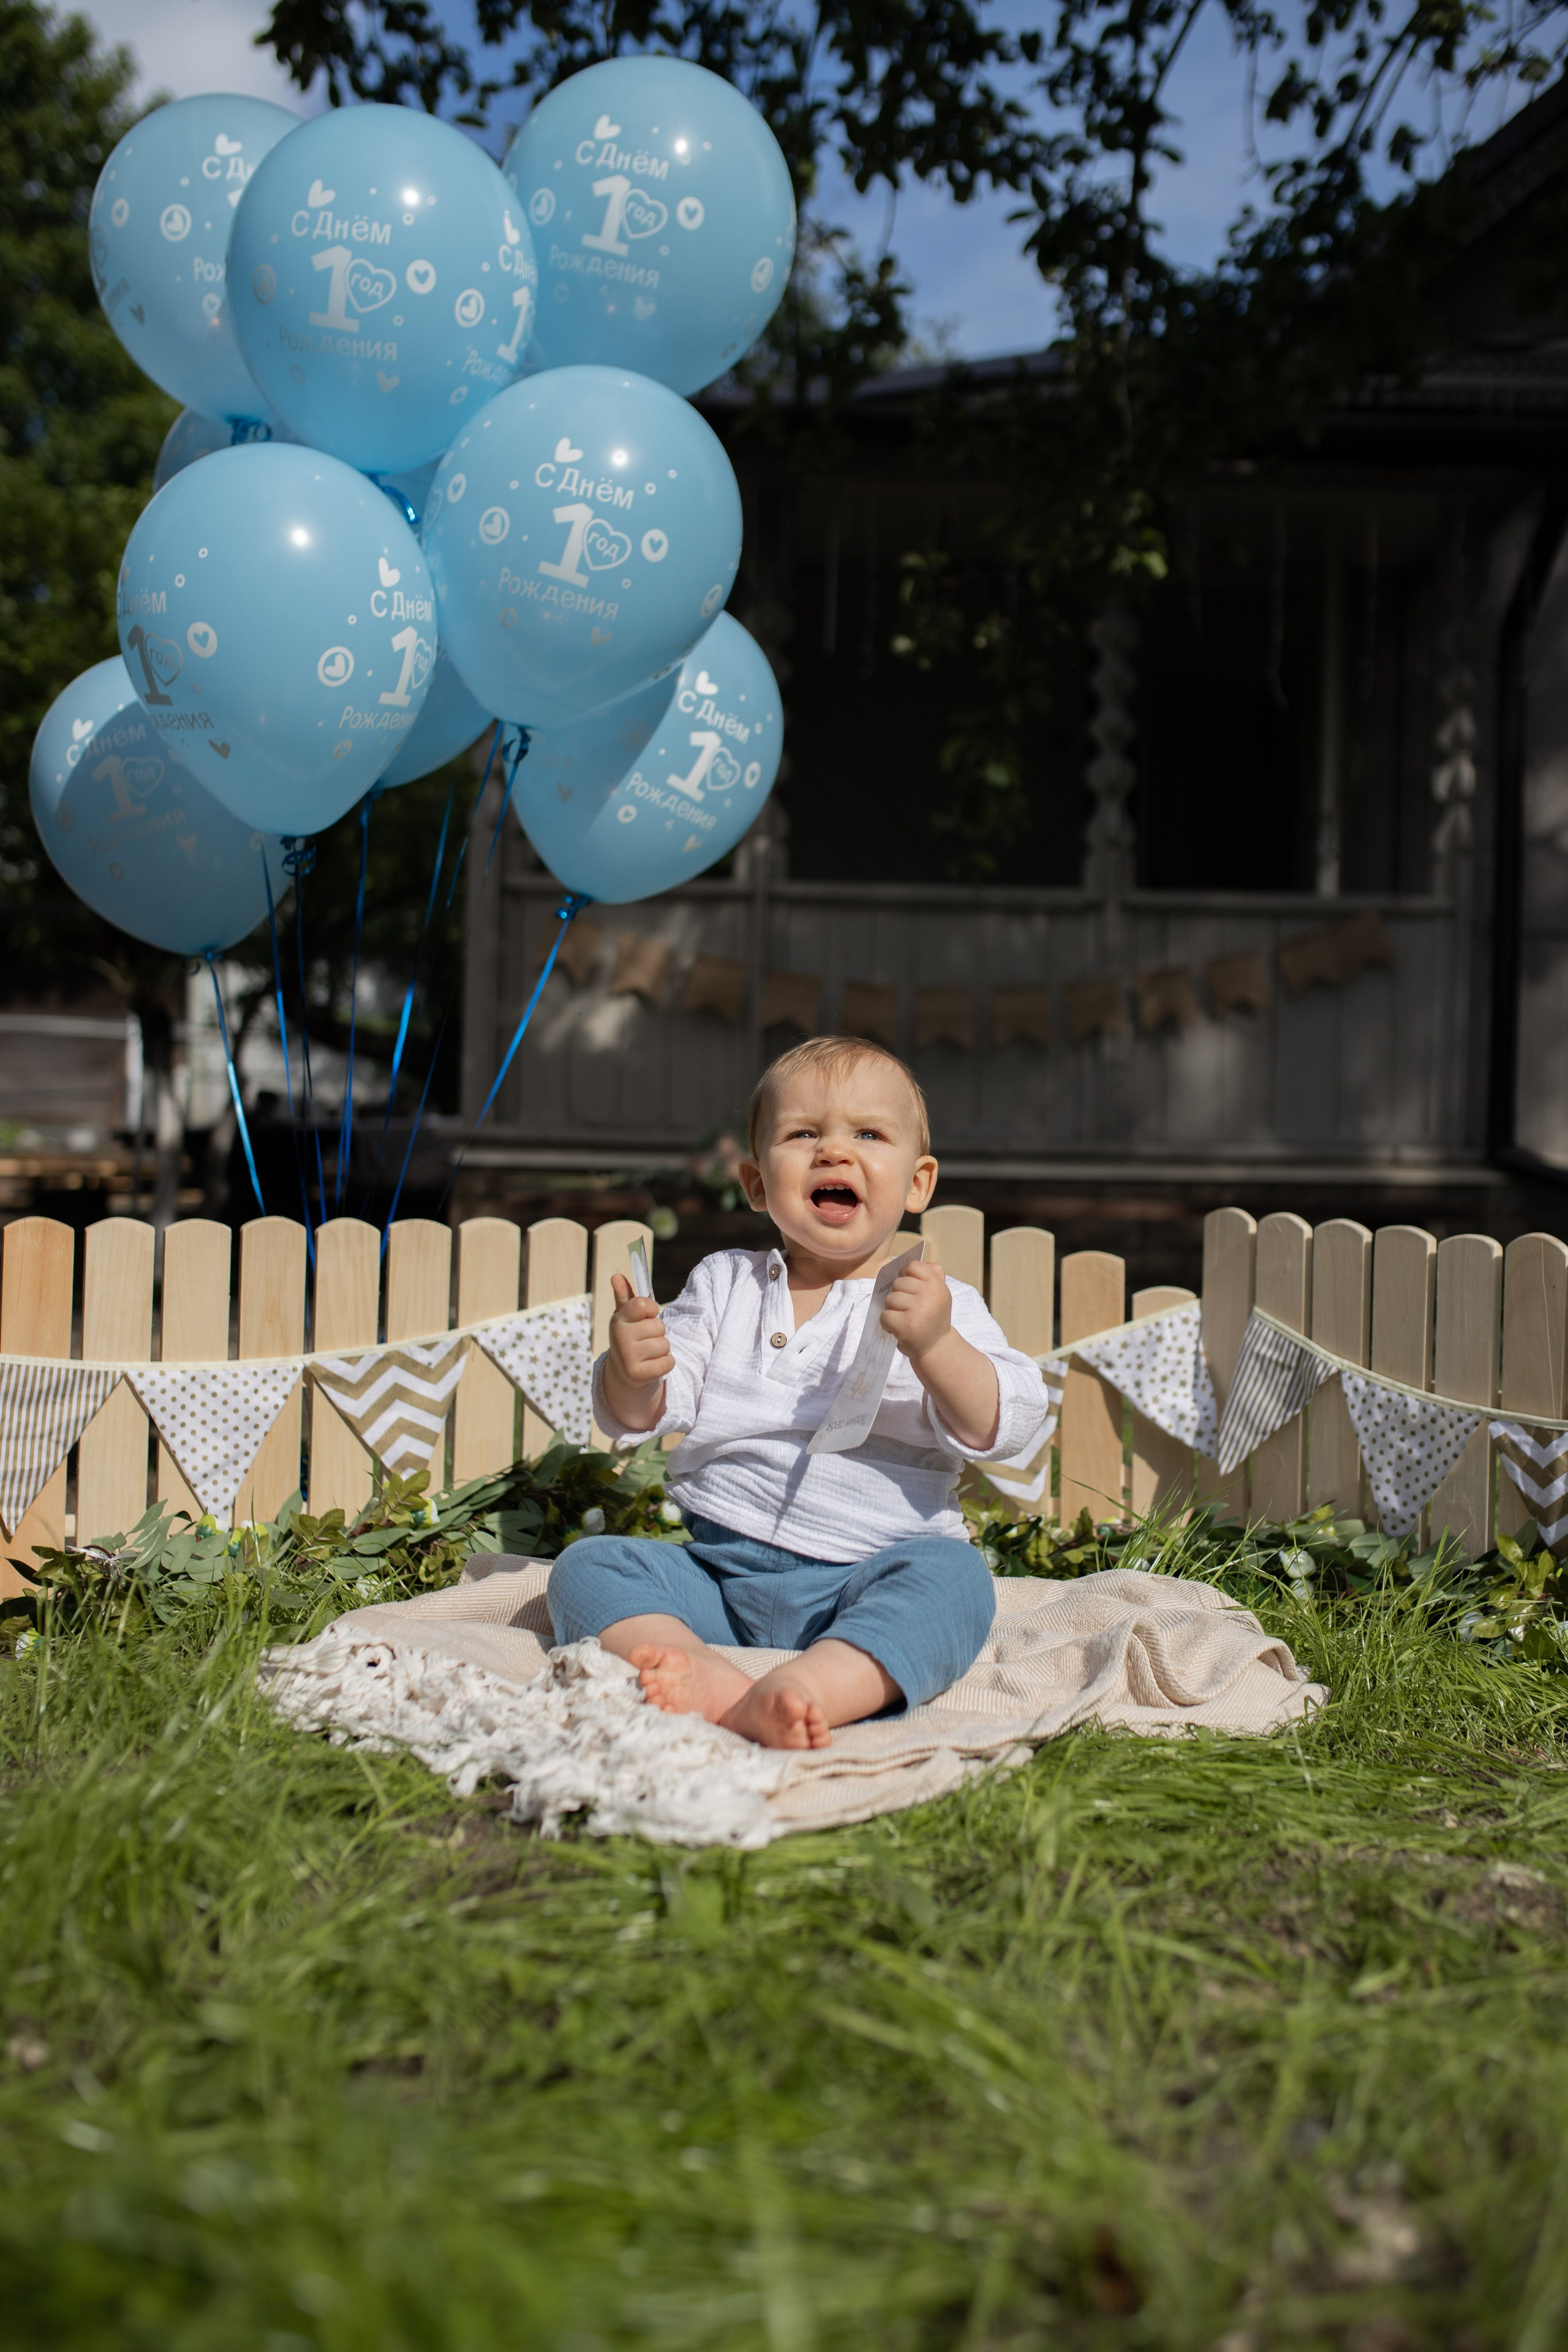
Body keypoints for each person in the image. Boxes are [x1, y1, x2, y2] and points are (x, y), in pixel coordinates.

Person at [548, 1036, 1053, 1749]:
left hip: (871, 1575)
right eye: (803, 1134)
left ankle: (813, 1688)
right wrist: (632, 1372)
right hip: (719, 1576)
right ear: (757, 1185)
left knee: (955, 1583)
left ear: (918, 1183)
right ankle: (702, 1672)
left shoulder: (938, 1303)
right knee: (589, 1568)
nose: (834, 1152)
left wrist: (937, 1346)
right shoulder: (727, 1285)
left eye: (868, 1134)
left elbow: (1006, 1423)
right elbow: (647, 1410)